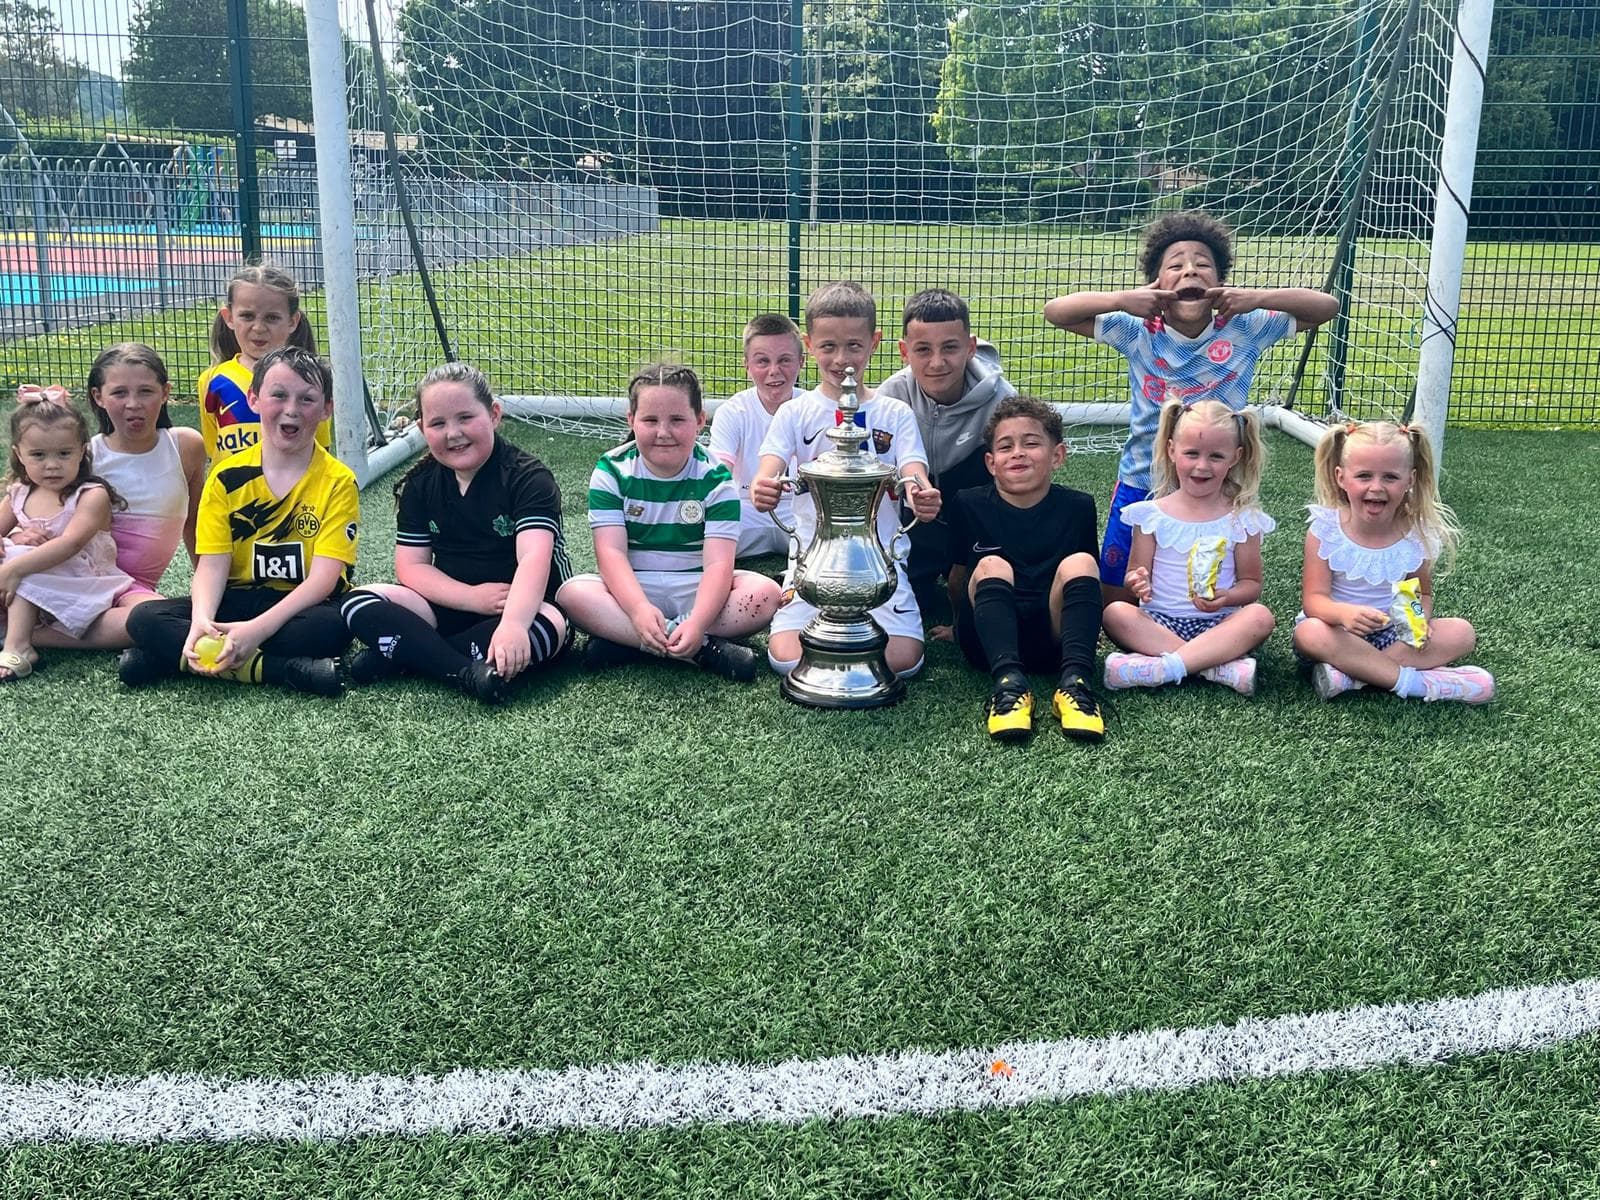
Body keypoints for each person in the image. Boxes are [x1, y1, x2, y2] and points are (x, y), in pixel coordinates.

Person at [1043, 210, 1338, 600]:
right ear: (1156, 282)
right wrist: (1121, 299)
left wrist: (1256, 298)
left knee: (1211, 585)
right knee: (1117, 592)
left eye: (1203, 265)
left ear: (1220, 282)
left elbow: (1326, 306)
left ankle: (1202, 639)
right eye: (1176, 266)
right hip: (1143, 480)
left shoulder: (1246, 327)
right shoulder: (1136, 331)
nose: (1190, 272)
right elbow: (1055, 312)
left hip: (1217, 483)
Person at [121, 347, 358, 695]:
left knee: (333, 629)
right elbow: (212, 566)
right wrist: (201, 620)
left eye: (307, 399)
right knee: (143, 619)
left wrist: (257, 630)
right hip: (238, 597)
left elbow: (323, 580)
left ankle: (169, 660)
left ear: (326, 410)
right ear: (254, 399)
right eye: (278, 395)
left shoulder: (338, 481)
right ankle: (281, 671)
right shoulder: (225, 476)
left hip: (304, 606)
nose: (291, 409)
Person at [340, 363, 571, 704]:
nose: (453, 433)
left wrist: (514, 625)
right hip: (448, 606)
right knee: (357, 601)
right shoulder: (420, 484)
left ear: (494, 414)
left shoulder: (528, 477)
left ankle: (408, 654)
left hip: (523, 607)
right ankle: (463, 671)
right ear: (422, 427)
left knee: (551, 627)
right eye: (438, 423)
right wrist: (471, 597)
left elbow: (534, 560)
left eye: (465, 418)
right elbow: (412, 568)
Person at [751, 281, 942, 678]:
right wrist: (764, 486)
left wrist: (920, 492)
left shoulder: (895, 413)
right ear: (808, 344)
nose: (842, 359)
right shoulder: (794, 412)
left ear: (874, 341)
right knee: (786, 657)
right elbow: (768, 466)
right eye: (828, 347)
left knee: (904, 660)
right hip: (811, 563)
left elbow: (912, 469)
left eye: (854, 346)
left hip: (879, 562)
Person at [557, 360, 781, 681]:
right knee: (572, 594)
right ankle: (702, 650)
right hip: (635, 588)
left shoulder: (717, 478)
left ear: (700, 420)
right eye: (650, 420)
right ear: (631, 420)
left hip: (697, 587)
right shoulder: (611, 470)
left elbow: (719, 565)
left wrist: (698, 621)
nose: (664, 432)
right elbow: (611, 554)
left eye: (677, 419)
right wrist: (637, 609)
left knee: (765, 594)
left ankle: (633, 643)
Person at [22, 345, 207, 653]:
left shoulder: (185, 445)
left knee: (165, 619)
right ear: (98, 396)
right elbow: (26, 503)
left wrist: (209, 592)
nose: (133, 404)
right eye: (119, 393)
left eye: (146, 391)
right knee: (158, 626)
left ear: (165, 393)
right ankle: (31, 631)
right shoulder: (85, 455)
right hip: (77, 579)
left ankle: (35, 632)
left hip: (131, 590)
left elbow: (196, 524)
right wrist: (22, 534)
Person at [1293, 420, 1493, 703]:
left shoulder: (1414, 535)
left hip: (1392, 638)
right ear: (1341, 477)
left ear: (1410, 479)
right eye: (1364, 476)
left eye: (1390, 477)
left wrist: (1419, 620)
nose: (1377, 487)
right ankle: (1415, 684)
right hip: (1337, 634)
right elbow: (1314, 601)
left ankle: (1351, 677)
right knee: (1309, 632)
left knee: (1462, 632)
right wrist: (1344, 614)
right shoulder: (1325, 529)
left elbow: (1421, 593)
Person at [946, 396, 1105, 742]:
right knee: (990, 565)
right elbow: (959, 578)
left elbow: (1086, 584)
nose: (1017, 452)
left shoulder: (1078, 507)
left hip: (1054, 640)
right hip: (989, 646)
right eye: (1006, 446)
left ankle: (1076, 686)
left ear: (1057, 455)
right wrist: (958, 627)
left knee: (1082, 562)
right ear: (990, 462)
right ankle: (1009, 688)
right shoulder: (968, 504)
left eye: (1031, 443)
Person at [1100, 398, 1276, 696]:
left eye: (1216, 456)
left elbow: (1251, 584)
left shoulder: (1242, 519)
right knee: (1115, 612)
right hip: (1160, 623)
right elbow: (1134, 575)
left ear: (1236, 457)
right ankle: (1215, 667)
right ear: (1171, 451)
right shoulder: (1151, 515)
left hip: (1219, 623)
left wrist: (1227, 596)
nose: (1202, 466)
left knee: (1260, 617)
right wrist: (1137, 582)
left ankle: (1162, 669)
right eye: (1191, 453)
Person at [876, 287, 1016, 627]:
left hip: (974, 518)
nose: (937, 362)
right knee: (901, 603)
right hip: (915, 517)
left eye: (950, 348)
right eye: (923, 350)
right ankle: (919, 572)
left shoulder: (1002, 401)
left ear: (970, 347)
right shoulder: (889, 397)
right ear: (904, 352)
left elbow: (1020, 485)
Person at [0, 390, 134, 680]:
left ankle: (19, 644)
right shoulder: (19, 494)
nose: (51, 465)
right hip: (29, 576)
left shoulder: (91, 495)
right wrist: (9, 540)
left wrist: (14, 563)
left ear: (83, 451)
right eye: (38, 455)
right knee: (12, 551)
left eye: (64, 453)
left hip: (81, 582)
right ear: (18, 455)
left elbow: (71, 543)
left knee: (20, 558)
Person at [199, 263, 327, 467]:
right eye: (247, 316)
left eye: (272, 318)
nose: (258, 328)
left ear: (292, 321)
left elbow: (321, 451)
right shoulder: (212, 380)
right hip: (233, 496)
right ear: (229, 317)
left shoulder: (310, 381)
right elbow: (213, 447)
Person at [707, 313, 805, 558]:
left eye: (785, 360)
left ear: (801, 362)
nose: (774, 371)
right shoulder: (732, 412)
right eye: (762, 361)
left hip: (800, 509)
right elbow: (720, 474)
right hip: (745, 509)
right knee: (700, 538)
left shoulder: (812, 408)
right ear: (746, 364)